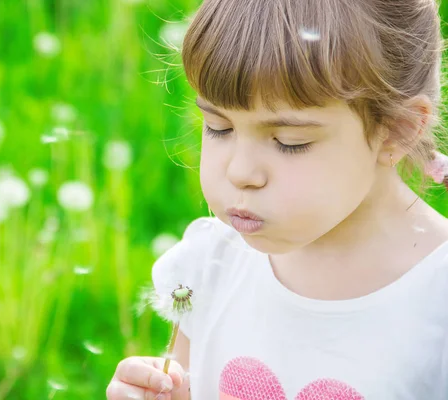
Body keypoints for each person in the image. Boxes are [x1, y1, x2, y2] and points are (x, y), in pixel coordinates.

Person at [107, 0, 448, 398]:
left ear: (396, 132)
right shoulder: (214, 262)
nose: (240, 172)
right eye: (218, 127)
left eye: (289, 142)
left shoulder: (435, 298)